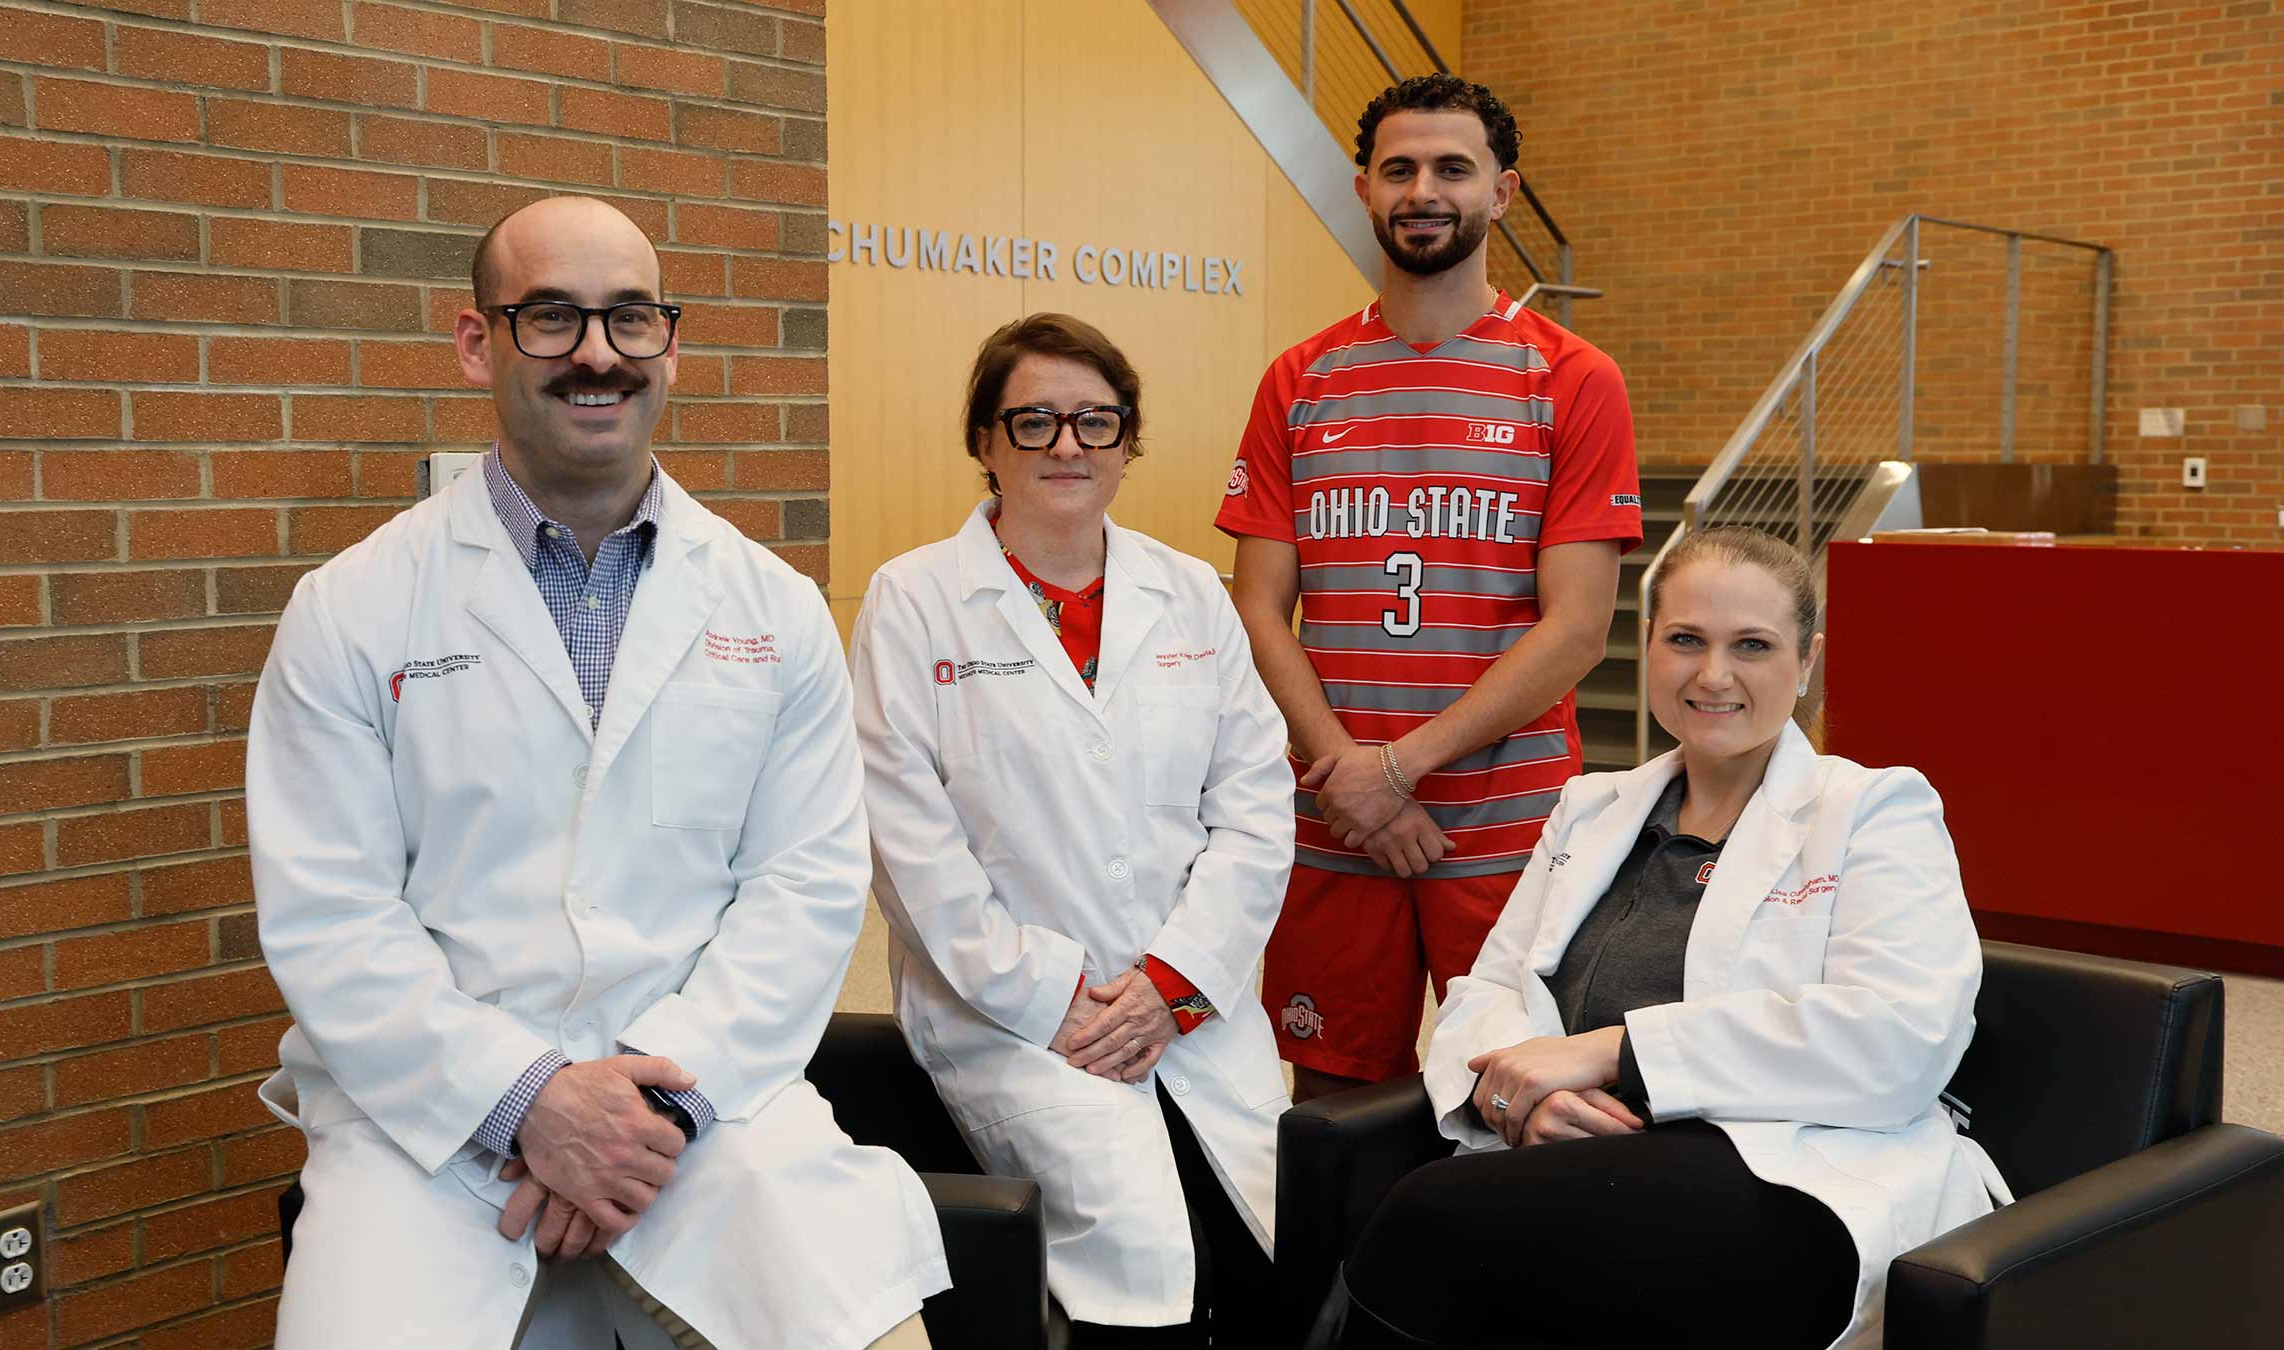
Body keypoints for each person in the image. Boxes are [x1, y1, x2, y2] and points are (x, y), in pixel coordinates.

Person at [248, 196, 948, 1350]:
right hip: (432, 1122)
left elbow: (806, 889)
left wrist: (641, 1113)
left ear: (669, 346)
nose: (596, 354)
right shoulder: (353, 609)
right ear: (477, 341)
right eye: (552, 317)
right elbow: (332, 920)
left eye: (629, 319)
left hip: (703, 1103)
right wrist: (531, 1103)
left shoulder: (772, 607)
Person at [1318, 527, 2012, 1350]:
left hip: (1788, 1173)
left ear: (1807, 661)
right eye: (1686, 640)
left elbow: (1902, 1038)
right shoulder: (1592, 807)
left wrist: (1614, 1051)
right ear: (1649, 646)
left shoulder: (1874, 809)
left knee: (1431, 1216)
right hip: (1584, 1166)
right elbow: (1489, 991)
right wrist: (1517, 1098)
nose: (1713, 675)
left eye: (1752, 645)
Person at [851, 314, 1296, 1346]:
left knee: (1273, 1235)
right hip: (1016, 1013)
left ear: (1128, 442)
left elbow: (1255, 806)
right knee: (1136, 1256)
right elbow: (908, 843)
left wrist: (1175, 985)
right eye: (1035, 421)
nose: (1066, 446)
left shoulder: (1188, 592)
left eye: (1096, 422)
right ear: (985, 440)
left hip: (1187, 996)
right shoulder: (914, 601)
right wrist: (1056, 1003)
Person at [1215, 74, 1643, 1103]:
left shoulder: (1573, 379)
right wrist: (1352, 778)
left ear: (1501, 193)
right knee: (1331, 1090)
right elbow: (1256, 608)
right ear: (1363, 187)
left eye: (1454, 168)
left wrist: (1396, 771)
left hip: (1502, 821)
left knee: (1513, 1088)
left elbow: (1579, 627)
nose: (1424, 190)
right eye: (1400, 168)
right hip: (1334, 817)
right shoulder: (1299, 379)